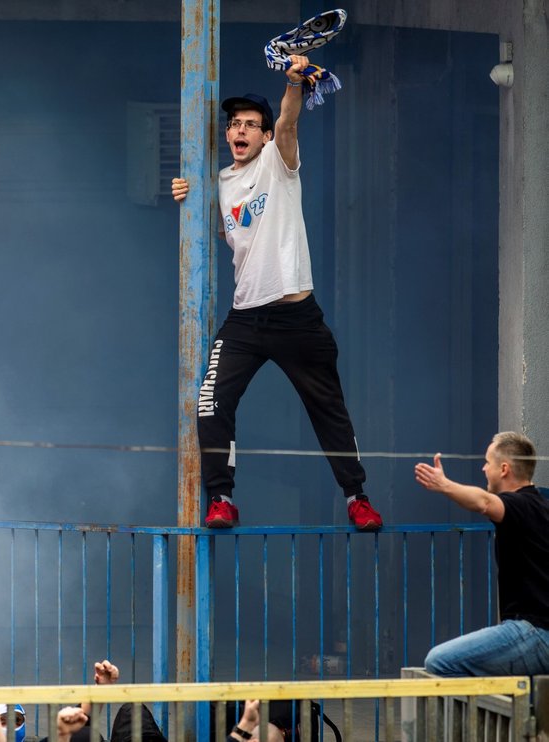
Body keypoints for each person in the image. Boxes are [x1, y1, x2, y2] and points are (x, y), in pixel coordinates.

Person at [171, 56, 382, 531]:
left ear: (264, 135)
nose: (240, 130)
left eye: (251, 124)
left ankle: (357, 498)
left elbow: (289, 119)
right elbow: (225, 235)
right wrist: (187, 197)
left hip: (297, 317)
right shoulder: (220, 184)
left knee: (328, 410)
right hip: (246, 319)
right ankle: (221, 499)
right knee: (210, 403)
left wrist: (292, 81)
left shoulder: (278, 161)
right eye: (234, 124)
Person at [415, 431, 549, 676]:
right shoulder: (540, 507)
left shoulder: (519, 505)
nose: (484, 469)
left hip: (536, 632)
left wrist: (443, 484)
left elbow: (485, 503)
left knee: (439, 662)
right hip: (539, 632)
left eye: (488, 462)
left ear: (504, 469)